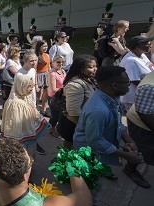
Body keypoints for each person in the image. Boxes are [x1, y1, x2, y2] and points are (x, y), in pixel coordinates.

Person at [73, 66, 150, 206]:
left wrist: (128, 139)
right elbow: (95, 141)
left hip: (100, 152)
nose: (129, 85)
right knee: (91, 192)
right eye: (127, 83)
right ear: (114, 85)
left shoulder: (112, 98)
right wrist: (126, 155)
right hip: (90, 155)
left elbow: (117, 122)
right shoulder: (98, 110)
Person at [0, 138, 92, 206]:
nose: (31, 161)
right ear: (24, 177)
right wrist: (72, 169)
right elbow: (85, 199)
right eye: (30, 162)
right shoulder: (47, 203)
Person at [2, 74, 49, 162]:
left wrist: (43, 121)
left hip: (28, 132)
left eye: (32, 86)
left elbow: (34, 112)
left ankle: (28, 169)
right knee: (21, 156)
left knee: (30, 154)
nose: (31, 89)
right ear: (20, 86)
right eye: (28, 87)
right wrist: (20, 137)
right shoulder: (14, 103)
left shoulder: (26, 97)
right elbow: (14, 124)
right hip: (19, 136)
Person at [57, 54, 97, 150]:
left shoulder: (89, 79)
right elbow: (74, 113)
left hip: (83, 124)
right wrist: (84, 130)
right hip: (74, 127)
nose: (95, 69)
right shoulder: (75, 86)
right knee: (73, 156)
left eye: (96, 66)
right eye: (91, 67)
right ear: (81, 68)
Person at [127, 71, 154, 186]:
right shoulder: (150, 87)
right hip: (143, 125)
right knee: (141, 150)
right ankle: (130, 170)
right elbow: (143, 113)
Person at [120, 35, 154, 111]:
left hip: (145, 95)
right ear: (138, 47)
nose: (150, 44)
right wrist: (151, 87)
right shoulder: (130, 61)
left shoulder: (142, 55)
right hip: (134, 99)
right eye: (147, 44)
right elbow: (134, 80)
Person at [48, 54, 66, 138]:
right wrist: (65, 89)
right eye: (58, 62)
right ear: (53, 62)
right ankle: (51, 129)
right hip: (54, 98)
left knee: (61, 115)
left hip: (62, 97)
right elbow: (53, 89)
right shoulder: (52, 74)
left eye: (63, 62)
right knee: (55, 116)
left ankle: (57, 129)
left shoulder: (63, 71)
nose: (61, 64)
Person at [35, 40, 51, 117]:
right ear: (39, 47)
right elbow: (34, 70)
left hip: (46, 75)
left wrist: (51, 75)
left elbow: (49, 67)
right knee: (38, 95)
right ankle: (35, 111)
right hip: (39, 75)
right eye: (43, 46)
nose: (45, 48)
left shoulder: (47, 55)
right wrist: (36, 83)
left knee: (46, 94)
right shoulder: (36, 57)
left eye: (46, 46)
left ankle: (43, 111)